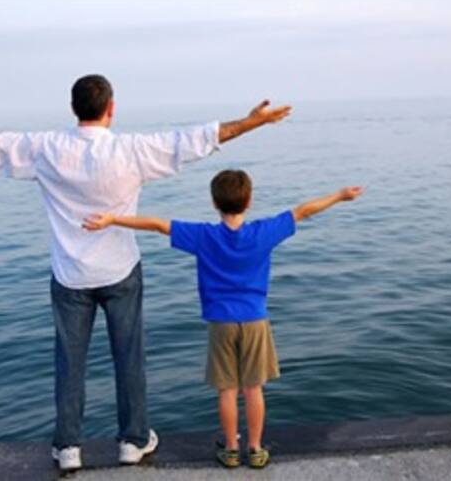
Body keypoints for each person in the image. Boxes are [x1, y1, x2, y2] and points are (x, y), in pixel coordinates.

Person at [0, 75, 292, 472]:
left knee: (70, 363)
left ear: (73, 108)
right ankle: (133, 441)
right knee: (128, 358)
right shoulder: (130, 151)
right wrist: (253, 122)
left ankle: (68, 447)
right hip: (120, 271)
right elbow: (195, 140)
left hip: (70, 276)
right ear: (111, 108)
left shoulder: (46, 149)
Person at [83, 169, 363, 469]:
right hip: (255, 320)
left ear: (214, 202)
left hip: (220, 323)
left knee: (227, 390)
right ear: (249, 200)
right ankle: (255, 449)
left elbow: (158, 225)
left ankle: (230, 449)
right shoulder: (262, 233)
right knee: (253, 389)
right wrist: (339, 196)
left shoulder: (204, 236)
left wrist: (112, 220)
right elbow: (303, 211)